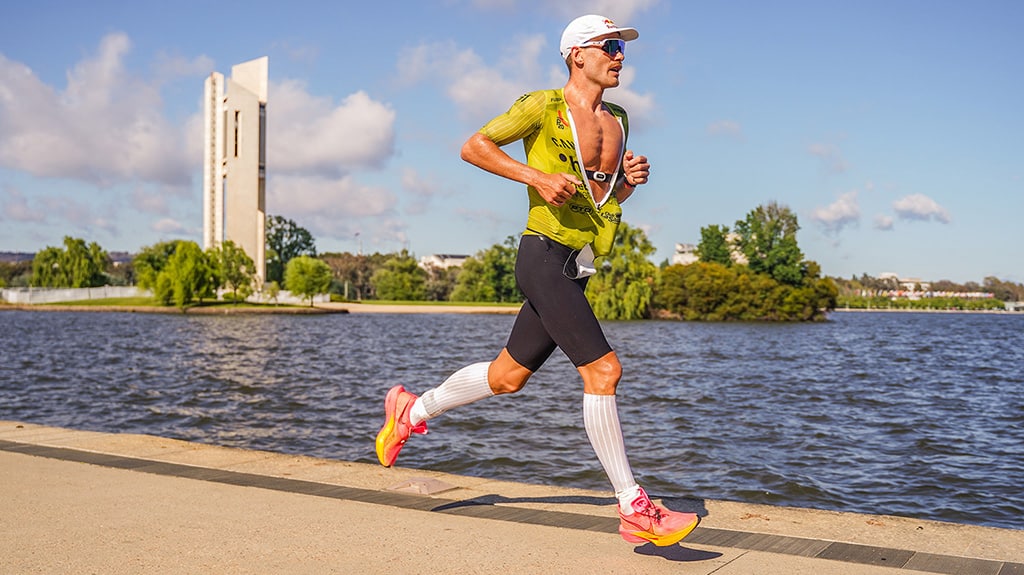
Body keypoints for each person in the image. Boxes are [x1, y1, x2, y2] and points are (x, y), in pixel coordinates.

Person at [375, 14, 699, 547]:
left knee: (507, 377)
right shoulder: (541, 106)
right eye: (610, 46)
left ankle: (411, 411)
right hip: (541, 254)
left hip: (580, 261)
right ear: (578, 54)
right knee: (604, 370)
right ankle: (632, 506)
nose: (620, 56)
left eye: (623, 48)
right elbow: (474, 146)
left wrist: (628, 186)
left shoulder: (618, 118)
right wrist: (537, 176)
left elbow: (605, 200)